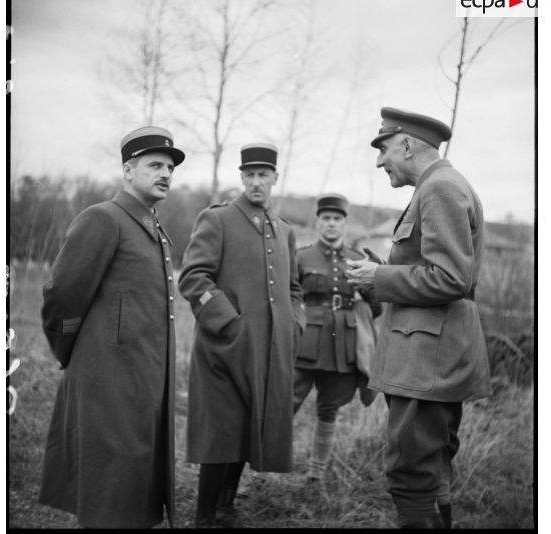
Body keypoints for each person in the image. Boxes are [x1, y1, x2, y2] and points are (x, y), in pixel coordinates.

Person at [346, 107, 492, 529]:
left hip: (426, 361)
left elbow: (450, 279)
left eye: (384, 148)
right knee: (432, 469)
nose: (379, 161)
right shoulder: (440, 185)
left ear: (407, 145)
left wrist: (382, 276)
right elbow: (438, 272)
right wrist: (380, 278)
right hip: (430, 355)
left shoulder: (440, 189)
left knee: (412, 474)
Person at [39, 126, 185, 528]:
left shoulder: (154, 229)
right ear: (127, 170)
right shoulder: (104, 219)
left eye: (170, 167)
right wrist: (71, 353)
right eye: (155, 165)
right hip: (108, 384)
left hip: (143, 382)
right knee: (108, 493)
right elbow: (62, 295)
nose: (166, 174)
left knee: (132, 489)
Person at [178, 143, 306, 528]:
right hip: (222, 349)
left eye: (263, 176)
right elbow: (193, 278)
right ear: (242, 178)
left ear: (274, 179)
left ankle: (225, 507)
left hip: (268, 352)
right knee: (222, 429)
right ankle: (204, 515)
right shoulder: (217, 220)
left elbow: (294, 289)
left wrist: (294, 323)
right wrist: (229, 324)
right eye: (249, 175)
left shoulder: (285, 231)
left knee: (247, 427)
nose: (256, 183)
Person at [293, 193, 381, 484]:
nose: (331, 224)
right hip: (305, 341)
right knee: (284, 404)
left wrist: (375, 283)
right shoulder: (301, 256)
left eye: (337, 219)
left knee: (329, 408)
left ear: (345, 224)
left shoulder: (358, 260)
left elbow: (376, 308)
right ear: (318, 223)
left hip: (343, 344)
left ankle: (316, 474)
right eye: (326, 218)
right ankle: (259, 468)